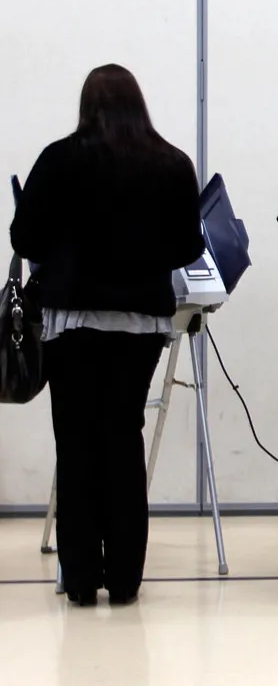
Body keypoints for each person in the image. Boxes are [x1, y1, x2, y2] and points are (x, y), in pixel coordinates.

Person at [11, 64, 205, 607]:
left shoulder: (59, 158)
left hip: (71, 321)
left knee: (76, 445)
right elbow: (189, 247)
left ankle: (80, 581)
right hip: (141, 323)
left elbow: (25, 237)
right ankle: (124, 580)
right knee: (123, 440)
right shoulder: (171, 163)